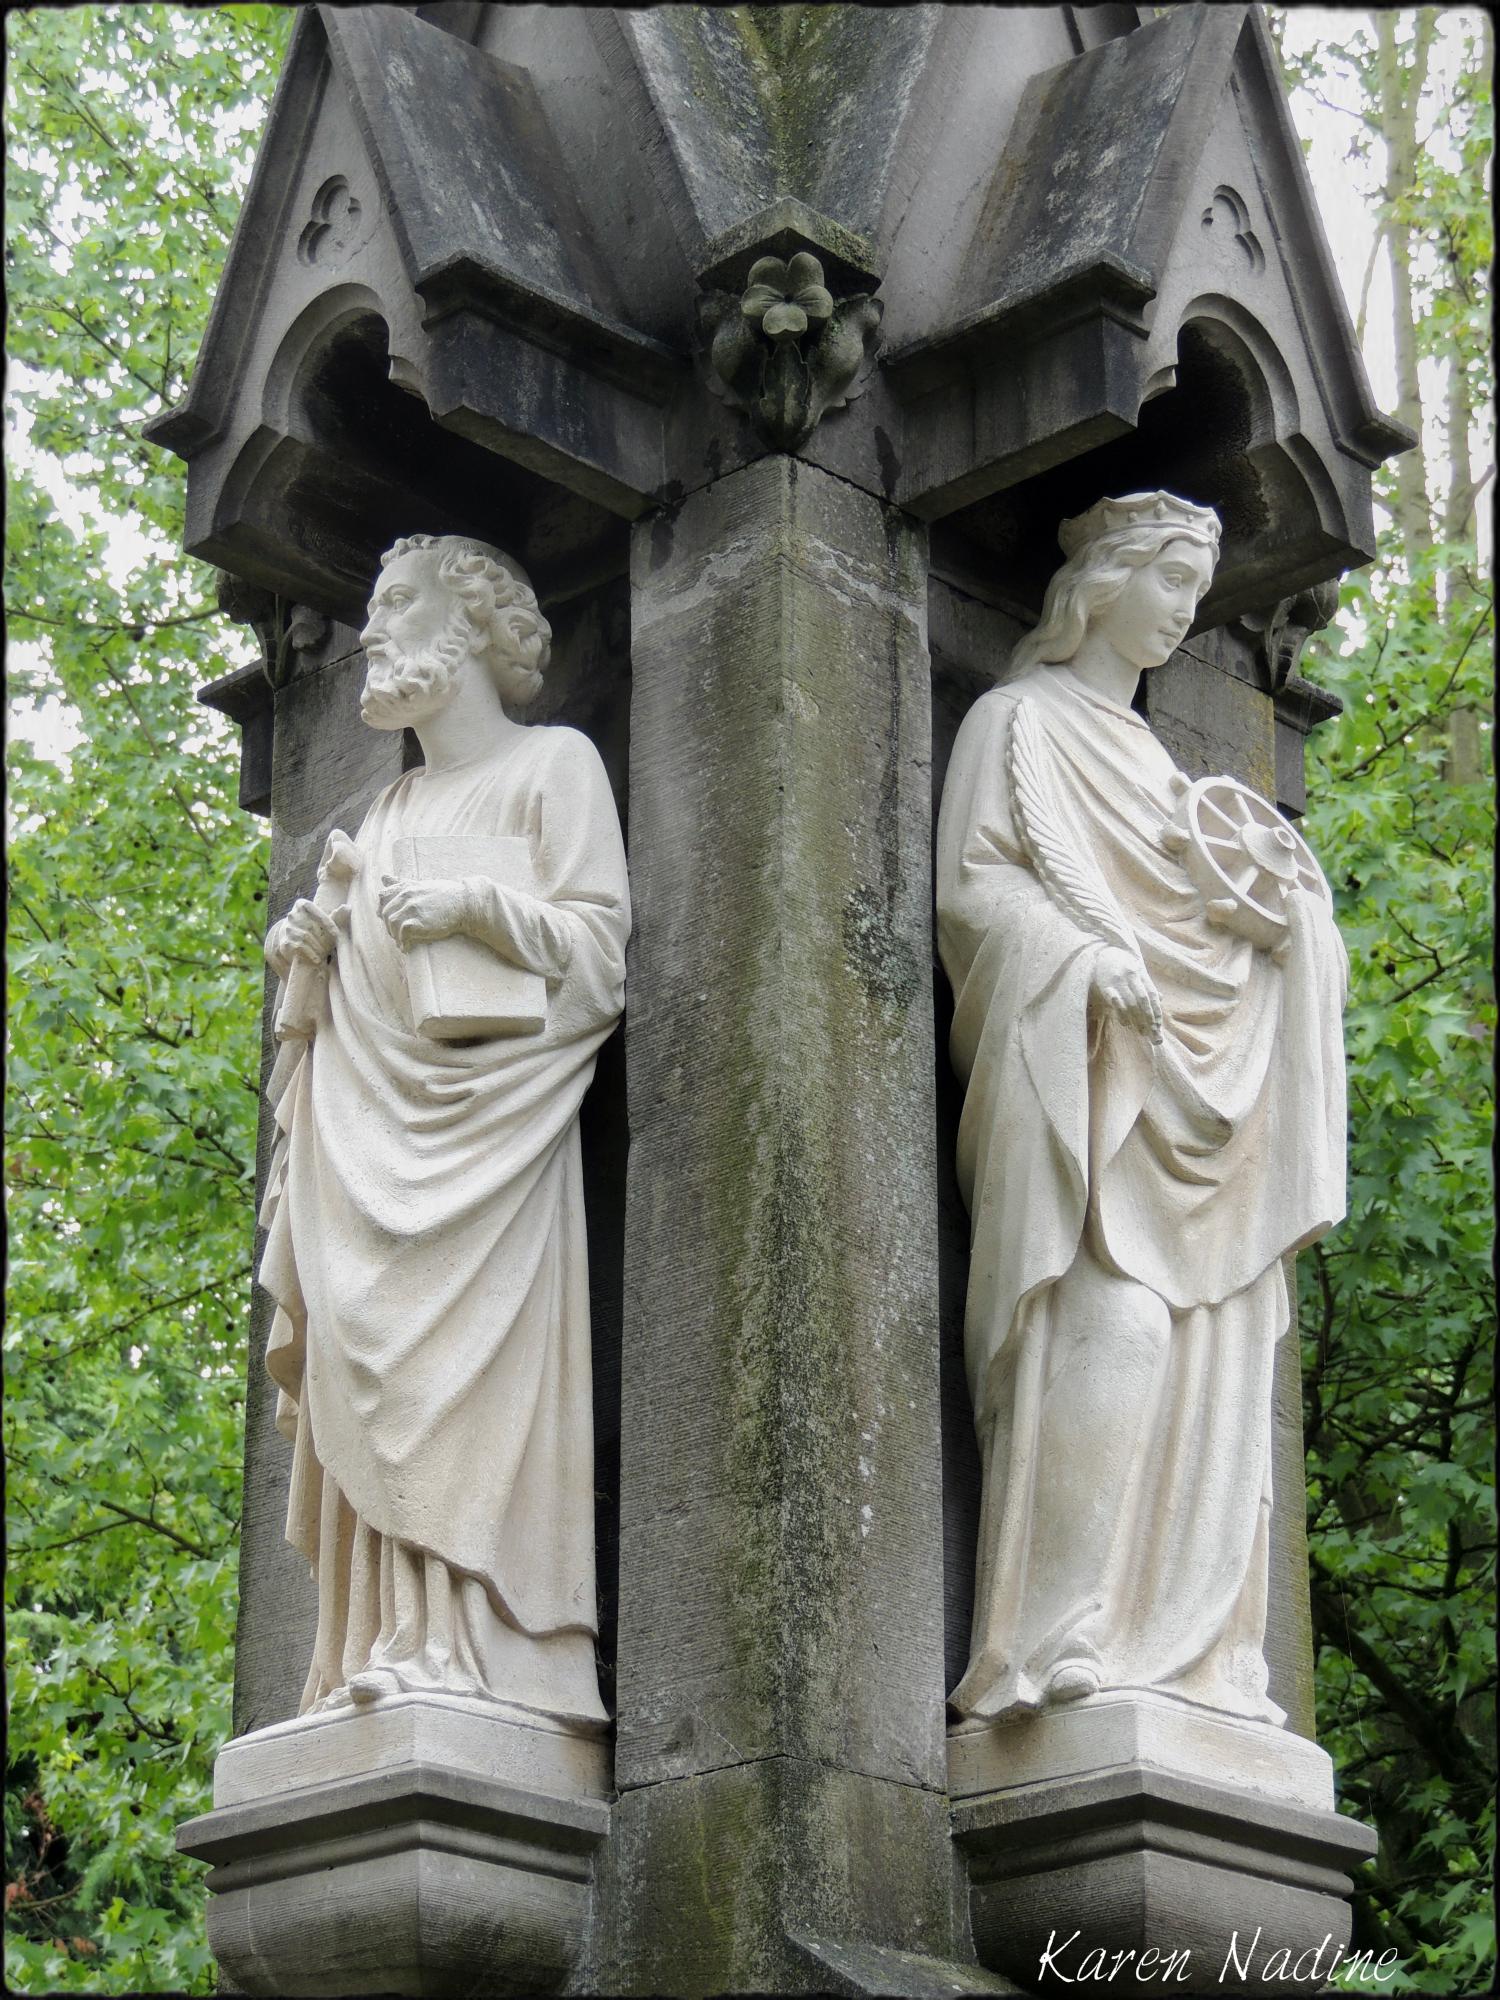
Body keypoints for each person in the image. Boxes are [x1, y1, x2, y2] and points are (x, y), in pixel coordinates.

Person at [935, 491, 1347, 1729]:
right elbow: (973, 895)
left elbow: (1224, 933)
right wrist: (1080, 958)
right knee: (1113, 1331)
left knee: (1207, 1365)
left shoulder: (1169, 779)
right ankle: (1050, 1638)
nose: (1182, 608)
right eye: (1169, 578)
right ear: (1101, 581)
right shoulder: (1015, 724)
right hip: (1088, 1087)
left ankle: (1183, 1653)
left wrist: (1294, 927)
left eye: (1196, 588)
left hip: (1191, 1106)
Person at [258, 533, 629, 1730]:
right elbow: (345, 979)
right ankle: (368, 1647)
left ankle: (472, 1654)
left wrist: (476, 903)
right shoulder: (386, 808)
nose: (371, 630)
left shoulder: (553, 765)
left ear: (470, 624)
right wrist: (310, 952)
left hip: (492, 1143)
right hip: (360, 1144)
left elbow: (600, 956)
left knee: (458, 1393)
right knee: (366, 1376)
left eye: (396, 603)